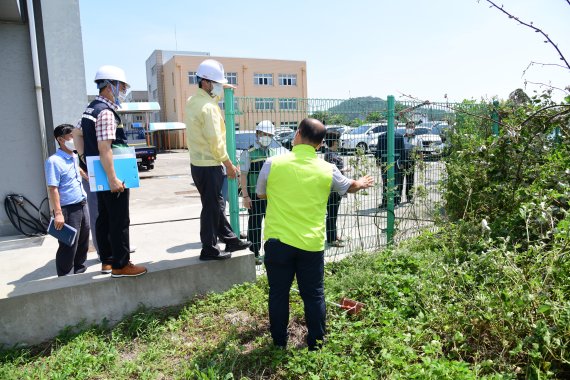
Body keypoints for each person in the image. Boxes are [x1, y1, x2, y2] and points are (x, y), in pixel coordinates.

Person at [256, 118, 374, 350]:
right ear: (320, 145)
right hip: (311, 243)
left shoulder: (273, 162)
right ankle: (316, 344)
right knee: (314, 295)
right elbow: (348, 186)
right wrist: (360, 182)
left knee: (278, 293)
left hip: (278, 241)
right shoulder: (328, 169)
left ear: (297, 134)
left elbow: (260, 194)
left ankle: (279, 343)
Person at [73, 65, 147, 278]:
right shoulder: (106, 113)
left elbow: (77, 134)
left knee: (104, 217)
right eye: (121, 87)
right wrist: (113, 178)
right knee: (119, 219)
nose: (122, 91)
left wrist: (84, 159)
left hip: (99, 173)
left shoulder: (90, 109)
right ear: (109, 86)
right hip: (112, 174)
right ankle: (121, 265)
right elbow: (105, 147)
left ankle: (107, 260)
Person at [185, 59, 251, 260]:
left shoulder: (193, 101)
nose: (218, 88)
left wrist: (223, 89)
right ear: (205, 82)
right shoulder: (209, 108)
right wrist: (229, 165)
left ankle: (230, 239)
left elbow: (210, 99)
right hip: (210, 164)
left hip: (198, 164)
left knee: (214, 203)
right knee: (211, 207)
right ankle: (209, 249)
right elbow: (216, 142)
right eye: (216, 84)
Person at [239, 120, 288, 265]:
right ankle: (254, 253)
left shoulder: (275, 153)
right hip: (254, 196)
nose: (266, 137)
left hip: (272, 196)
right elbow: (243, 176)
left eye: (269, 135)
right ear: (257, 134)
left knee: (273, 224)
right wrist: (246, 196)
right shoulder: (248, 153)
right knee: (255, 224)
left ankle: (273, 252)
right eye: (264, 134)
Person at [44, 124, 90, 277]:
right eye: (71, 137)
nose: (74, 140)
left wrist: (87, 177)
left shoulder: (73, 155)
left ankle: (80, 271)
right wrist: (58, 213)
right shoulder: (54, 161)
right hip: (68, 209)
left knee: (83, 241)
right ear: (60, 139)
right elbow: (53, 188)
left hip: (82, 204)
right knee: (68, 245)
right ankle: (64, 277)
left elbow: (77, 169)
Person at [324, 131, 345, 247]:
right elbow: (332, 172)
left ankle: (334, 234)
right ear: (333, 142)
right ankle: (331, 239)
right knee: (332, 214)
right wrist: (344, 170)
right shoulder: (330, 155)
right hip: (332, 190)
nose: (339, 142)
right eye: (338, 140)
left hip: (337, 189)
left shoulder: (332, 153)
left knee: (334, 214)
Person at [375, 130, 406, 208]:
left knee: (397, 182)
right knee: (385, 181)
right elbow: (378, 150)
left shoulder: (399, 136)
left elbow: (402, 150)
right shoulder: (381, 137)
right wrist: (378, 160)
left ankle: (396, 201)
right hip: (385, 162)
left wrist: (402, 162)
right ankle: (385, 201)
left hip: (396, 162)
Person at [402, 121, 417, 203]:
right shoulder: (401, 138)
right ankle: (397, 199)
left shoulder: (417, 138)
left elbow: (420, 151)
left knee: (410, 180)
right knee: (400, 180)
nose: (410, 129)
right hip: (401, 162)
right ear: (406, 128)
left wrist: (421, 162)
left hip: (411, 162)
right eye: (409, 127)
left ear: (414, 129)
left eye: (412, 127)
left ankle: (409, 197)